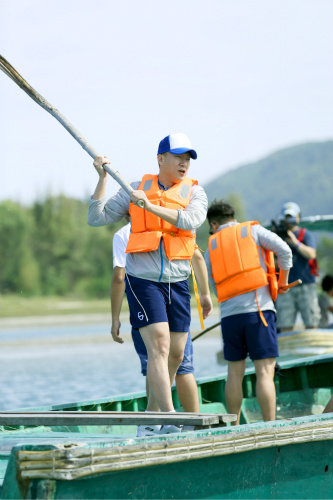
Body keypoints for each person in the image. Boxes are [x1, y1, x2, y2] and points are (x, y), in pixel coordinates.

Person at [88, 132, 209, 434]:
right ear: (160, 159)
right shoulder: (134, 190)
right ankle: (169, 416)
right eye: (179, 157)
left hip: (178, 281)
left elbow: (190, 220)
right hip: (143, 281)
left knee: (177, 355)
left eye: (188, 158)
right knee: (159, 345)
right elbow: (96, 218)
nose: (185, 164)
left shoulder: (195, 192)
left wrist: (150, 206)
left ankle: (150, 416)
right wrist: (102, 178)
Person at [111, 222, 212, 436]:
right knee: (177, 364)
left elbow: (120, 276)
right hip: (163, 298)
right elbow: (196, 256)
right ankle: (181, 424)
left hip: (160, 300)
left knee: (162, 360)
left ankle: (154, 420)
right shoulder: (172, 221)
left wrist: (115, 317)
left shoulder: (124, 234)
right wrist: (205, 293)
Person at [204, 200, 292, 425]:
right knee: (265, 372)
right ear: (232, 216)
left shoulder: (211, 245)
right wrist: (282, 282)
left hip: (230, 317)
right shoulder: (253, 230)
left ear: (214, 223)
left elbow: (212, 281)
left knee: (234, 373)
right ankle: (269, 425)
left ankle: (234, 427)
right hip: (259, 312)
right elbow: (285, 251)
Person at [275, 202, 321, 332]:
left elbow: (312, 254)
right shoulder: (278, 237)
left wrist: (295, 242)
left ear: (298, 217)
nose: (289, 220)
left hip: (306, 285)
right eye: (286, 217)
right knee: (284, 324)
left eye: (292, 217)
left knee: (311, 323)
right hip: (286, 287)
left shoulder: (305, 234)